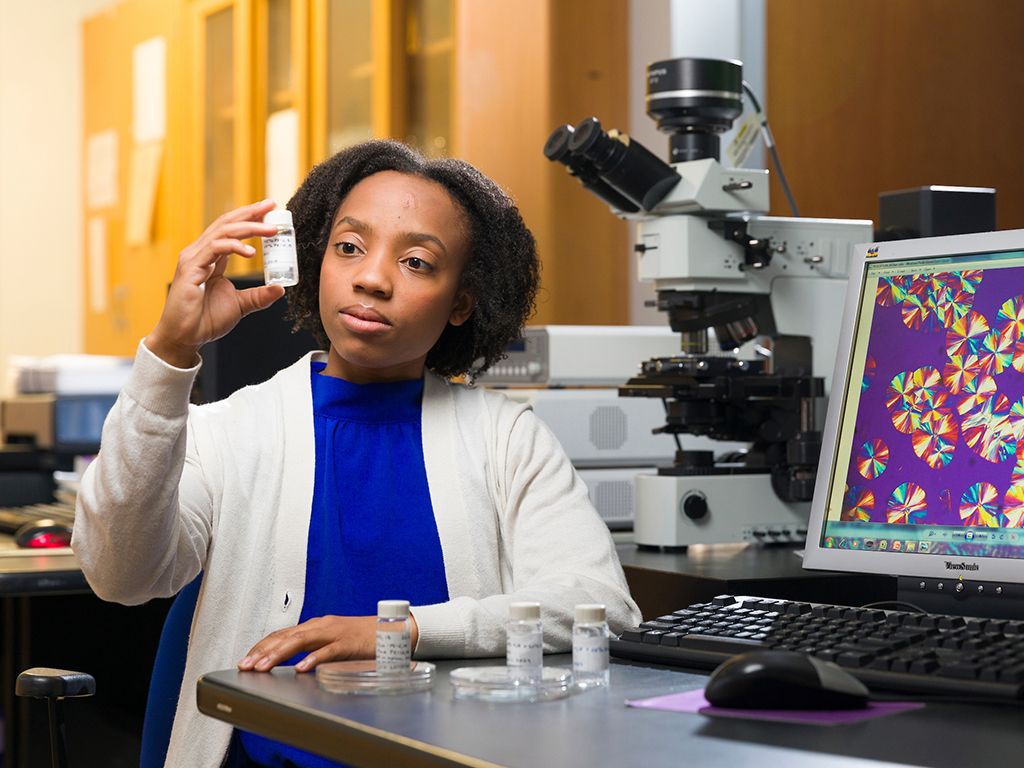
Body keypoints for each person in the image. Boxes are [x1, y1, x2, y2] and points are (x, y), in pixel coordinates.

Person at [72, 140, 641, 768]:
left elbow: (602, 609)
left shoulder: (509, 440)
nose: (372, 277)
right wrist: (170, 352)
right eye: (349, 247)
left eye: (419, 262)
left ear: (462, 302)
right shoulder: (231, 431)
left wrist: (399, 633)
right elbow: (117, 573)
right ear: (316, 262)